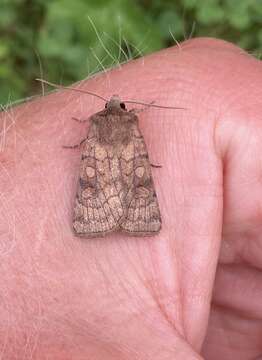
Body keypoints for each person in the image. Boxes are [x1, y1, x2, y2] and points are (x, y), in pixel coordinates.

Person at [1, 38, 262, 359]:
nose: (116, 106)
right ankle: (138, 218)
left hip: (95, 179)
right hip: (135, 175)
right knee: (139, 174)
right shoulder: (131, 123)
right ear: (124, 111)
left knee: (94, 177)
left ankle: (96, 220)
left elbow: (85, 144)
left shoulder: (95, 124)